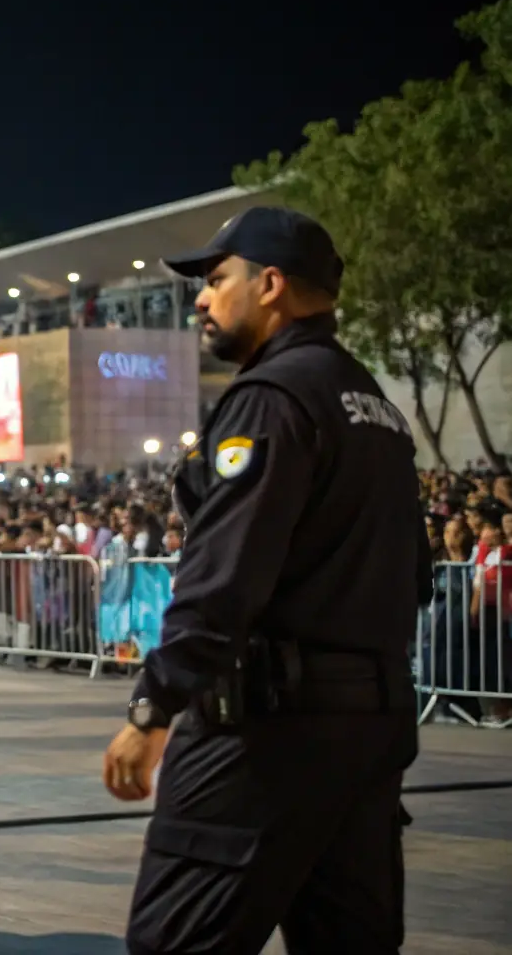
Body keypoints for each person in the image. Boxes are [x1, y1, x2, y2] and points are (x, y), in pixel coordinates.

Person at [102, 207, 432, 954]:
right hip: (368, 729)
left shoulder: (271, 398)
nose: (201, 299)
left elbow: (224, 576)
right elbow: (414, 573)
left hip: (264, 734)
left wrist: (154, 708)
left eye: (217, 279)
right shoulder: (372, 404)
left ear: (271, 284)